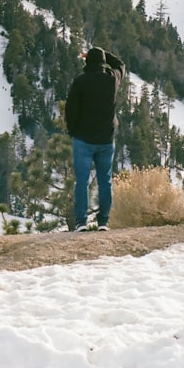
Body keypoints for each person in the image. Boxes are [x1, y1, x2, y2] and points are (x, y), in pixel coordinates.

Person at [64, 46, 125, 231]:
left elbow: (71, 109)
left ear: (87, 62)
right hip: (106, 139)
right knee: (105, 181)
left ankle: (81, 222)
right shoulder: (112, 79)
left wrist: (72, 130)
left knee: (82, 181)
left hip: (83, 139)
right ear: (103, 62)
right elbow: (120, 64)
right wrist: (106, 54)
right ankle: (103, 222)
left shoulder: (81, 81)